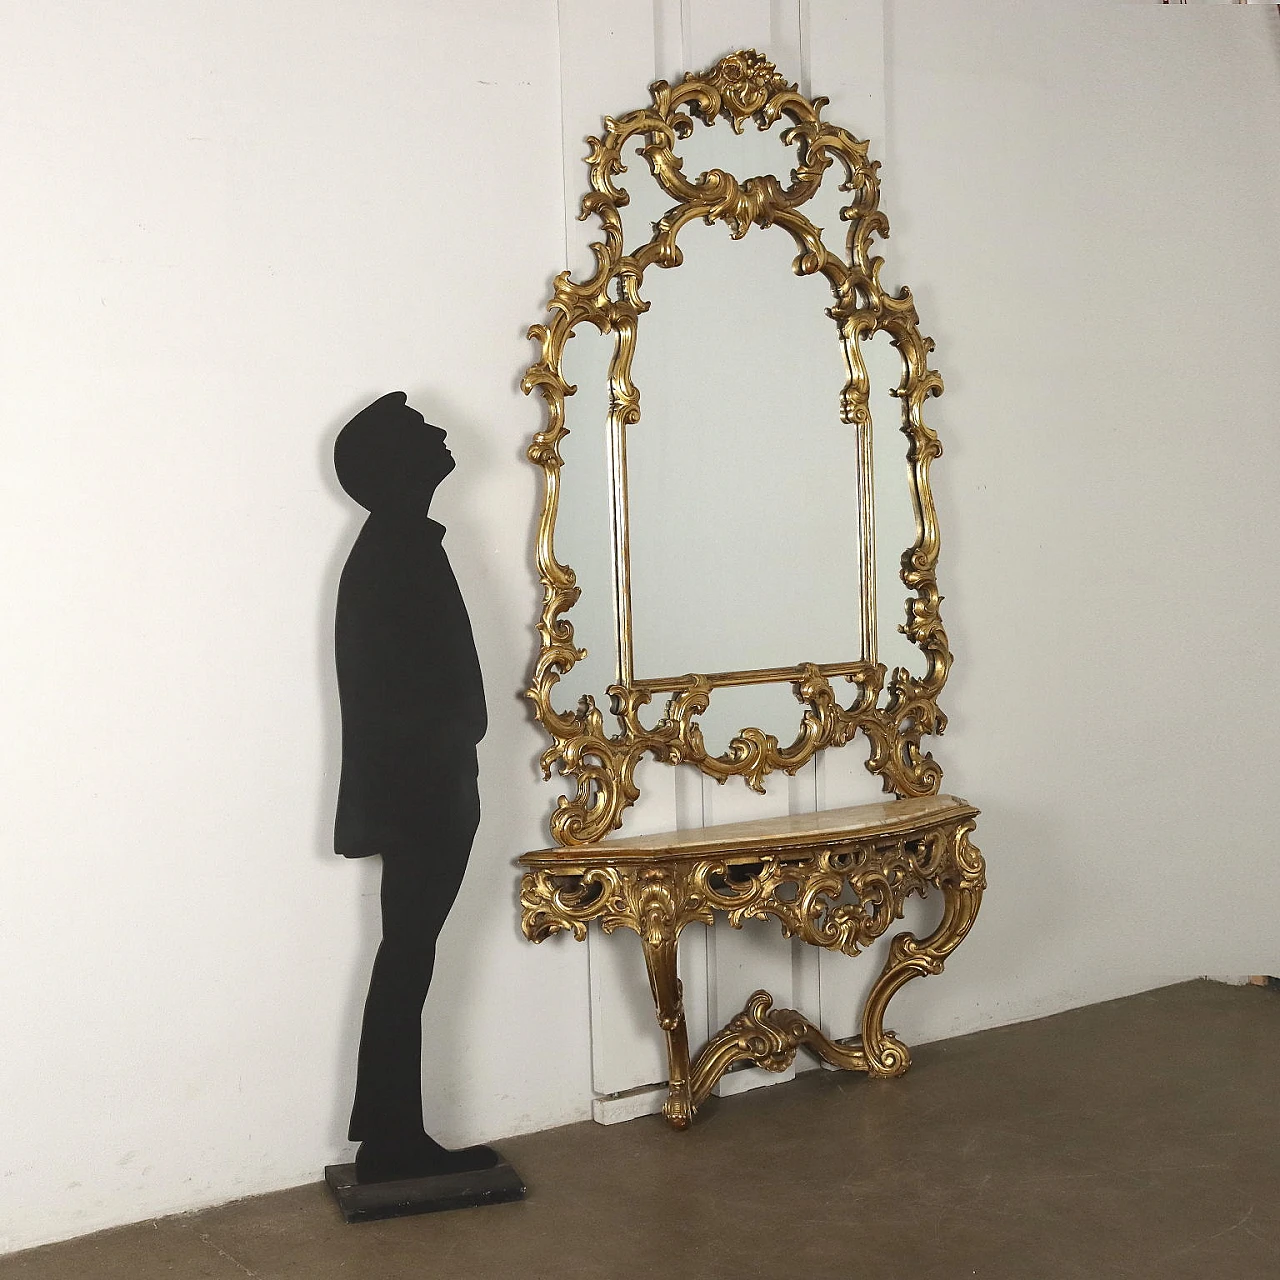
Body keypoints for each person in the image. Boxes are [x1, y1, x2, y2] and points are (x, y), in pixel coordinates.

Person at [332, 391, 497, 1183]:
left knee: (407, 959)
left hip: (425, 789)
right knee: (407, 960)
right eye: (420, 430)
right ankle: (392, 1139)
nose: (440, 430)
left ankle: (390, 1132)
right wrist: (450, 748)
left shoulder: (400, 544)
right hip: (422, 796)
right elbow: (393, 691)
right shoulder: (396, 547)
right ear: (400, 464)